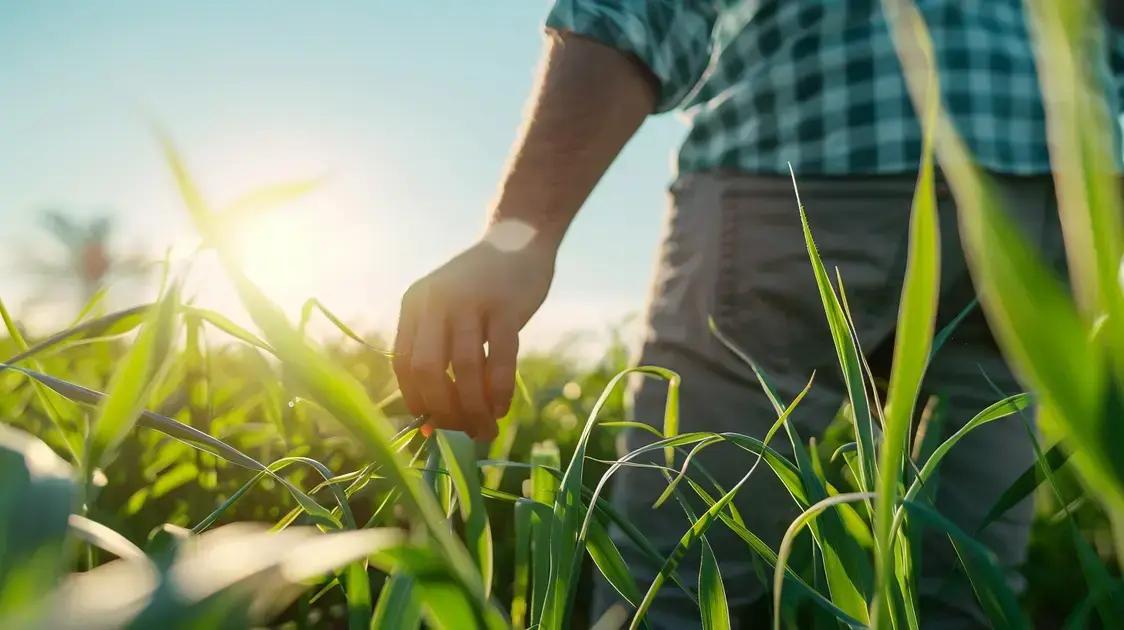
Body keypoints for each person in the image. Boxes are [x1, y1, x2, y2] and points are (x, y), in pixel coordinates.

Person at [392, 1, 1123, 627]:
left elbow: (639, 10)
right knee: (964, 585)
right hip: (1043, 190)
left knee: (679, 571)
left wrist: (518, 233)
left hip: (816, 155)